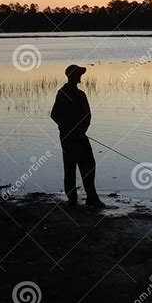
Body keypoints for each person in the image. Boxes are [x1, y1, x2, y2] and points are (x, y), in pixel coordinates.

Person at [51, 65, 104, 208]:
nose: (81, 76)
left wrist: (81, 130)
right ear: (73, 76)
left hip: (79, 137)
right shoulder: (63, 93)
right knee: (71, 168)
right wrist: (67, 128)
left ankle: (91, 197)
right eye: (79, 74)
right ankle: (73, 199)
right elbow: (54, 115)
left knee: (88, 165)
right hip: (68, 138)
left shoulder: (80, 94)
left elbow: (87, 116)